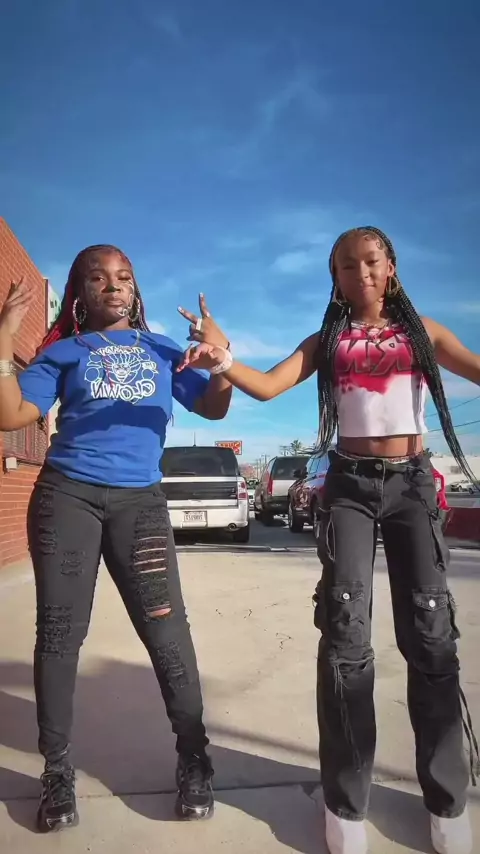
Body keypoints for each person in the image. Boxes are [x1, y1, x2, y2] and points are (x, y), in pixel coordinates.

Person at [177, 226, 480, 854]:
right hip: (348, 487)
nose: (360, 273)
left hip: (413, 485)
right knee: (345, 637)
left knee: (431, 635)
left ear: (390, 267)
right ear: (335, 279)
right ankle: (345, 805)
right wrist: (222, 357)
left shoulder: (424, 332)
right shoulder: (328, 340)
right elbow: (268, 386)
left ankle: (447, 801)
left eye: (371, 261)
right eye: (346, 265)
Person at [0, 244, 232, 833]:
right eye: (98, 278)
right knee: (59, 635)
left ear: (136, 289)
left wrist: (220, 360)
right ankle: (56, 771)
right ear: (79, 293)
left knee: (167, 632)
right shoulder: (63, 352)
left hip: (139, 505)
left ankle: (194, 757)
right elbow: (10, 415)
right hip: (67, 498)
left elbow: (213, 409)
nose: (113, 285)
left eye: (123, 277)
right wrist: (3, 336)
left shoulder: (164, 350)